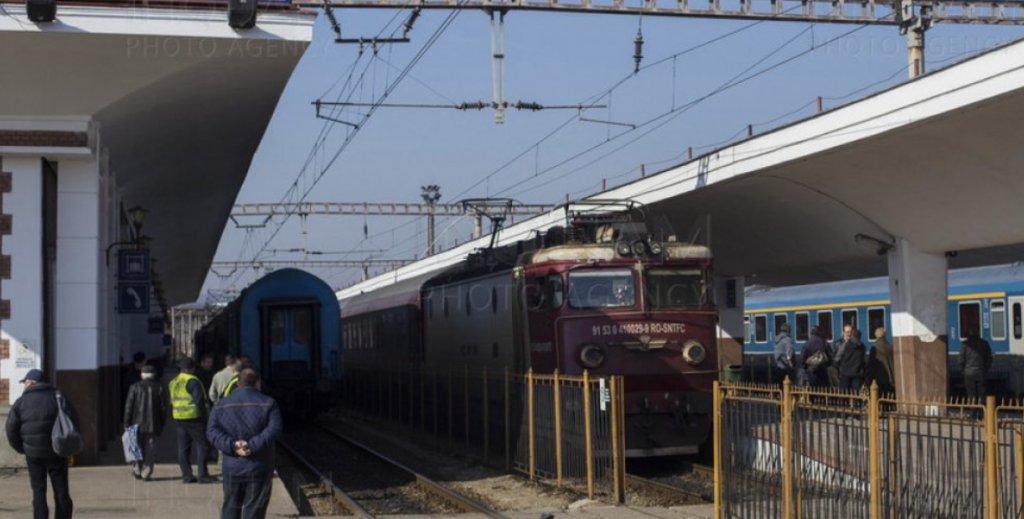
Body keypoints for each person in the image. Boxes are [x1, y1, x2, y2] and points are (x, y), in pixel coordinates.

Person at [207, 369, 283, 519]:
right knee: (255, 509)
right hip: (259, 467)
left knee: (230, 506)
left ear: (237, 383)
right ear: (258, 383)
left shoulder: (221, 404)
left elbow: (211, 431)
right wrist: (252, 446)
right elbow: (274, 429)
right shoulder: (269, 404)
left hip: (232, 467)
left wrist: (233, 446)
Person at [5, 369, 78, 519]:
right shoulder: (58, 397)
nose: (24, 385)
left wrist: (23, 448)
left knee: (38, 493)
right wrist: (68, 446)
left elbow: (11, 429)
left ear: (31, 383)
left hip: (33, 455)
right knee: (61, 492)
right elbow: (73, 422)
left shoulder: (21, 402)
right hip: (57, 452)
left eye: (25, 382)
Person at [170, 357, 214, 483]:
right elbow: (199, 401)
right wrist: (205, 417)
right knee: (203, 445)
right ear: (192, 369)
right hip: (193, 417)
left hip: (179, 417)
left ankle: (187, 475)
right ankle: (202, 474)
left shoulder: (174, 381)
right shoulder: (193, 381)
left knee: (183, 448)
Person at [124, 364, 167, 481]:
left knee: (135, 447)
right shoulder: (159, 387)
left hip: (135, 423)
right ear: (153, 375)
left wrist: (126, 423)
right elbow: (163, 408)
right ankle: (146, 473)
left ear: (142, 375)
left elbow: (129, 406)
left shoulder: (134, 387)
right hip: (153, 424)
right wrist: (162, 422)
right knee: (150, 449)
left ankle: (137, 470)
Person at [961, 326, 993, 398]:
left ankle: (973, 409)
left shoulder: (965, 345)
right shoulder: (984, 344)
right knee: (982, 394)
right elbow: (989, 358)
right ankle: (982, 408)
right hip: (981, 372)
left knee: (971, 394)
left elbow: (961, 360)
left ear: (970, 332)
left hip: (968, 373)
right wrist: (985, 369)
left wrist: (964, 371)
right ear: (978, 332)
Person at [865, 327, 895, 394]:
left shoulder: (874, 347)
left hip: (878, 377)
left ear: (876, 335)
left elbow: (871, 363)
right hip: (890, 375)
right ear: (885, 335)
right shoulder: (890, 347)